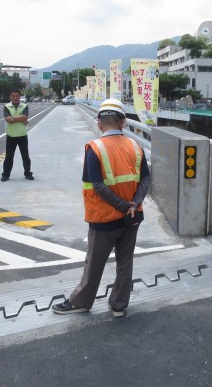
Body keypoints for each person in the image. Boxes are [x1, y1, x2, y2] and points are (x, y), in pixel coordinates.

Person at [52, 99, 150, 318]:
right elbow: (145, 180)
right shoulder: (137, 147)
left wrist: (123, 205)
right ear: (123, 123)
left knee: (94, 263)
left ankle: (81, 302)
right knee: (125, 262)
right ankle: (119, 305)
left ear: (99, 123)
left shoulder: (95, 148)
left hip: (104, 218)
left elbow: (97, 185)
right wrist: (132, 204)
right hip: (133, 217)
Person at [1, 89, 33, 182]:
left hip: (22, 135)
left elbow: (24, 117)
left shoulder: (24, 106)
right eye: (13, 96)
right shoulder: (7, 106)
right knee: (8, 157)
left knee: (25, 156)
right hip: (11, 135)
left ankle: (28, 173)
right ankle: (5, 175)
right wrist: (22, 119)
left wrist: (15, 118)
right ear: (10, 97)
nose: (15, 98)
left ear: (20, 96)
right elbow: (8, 119)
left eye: (17, 96)